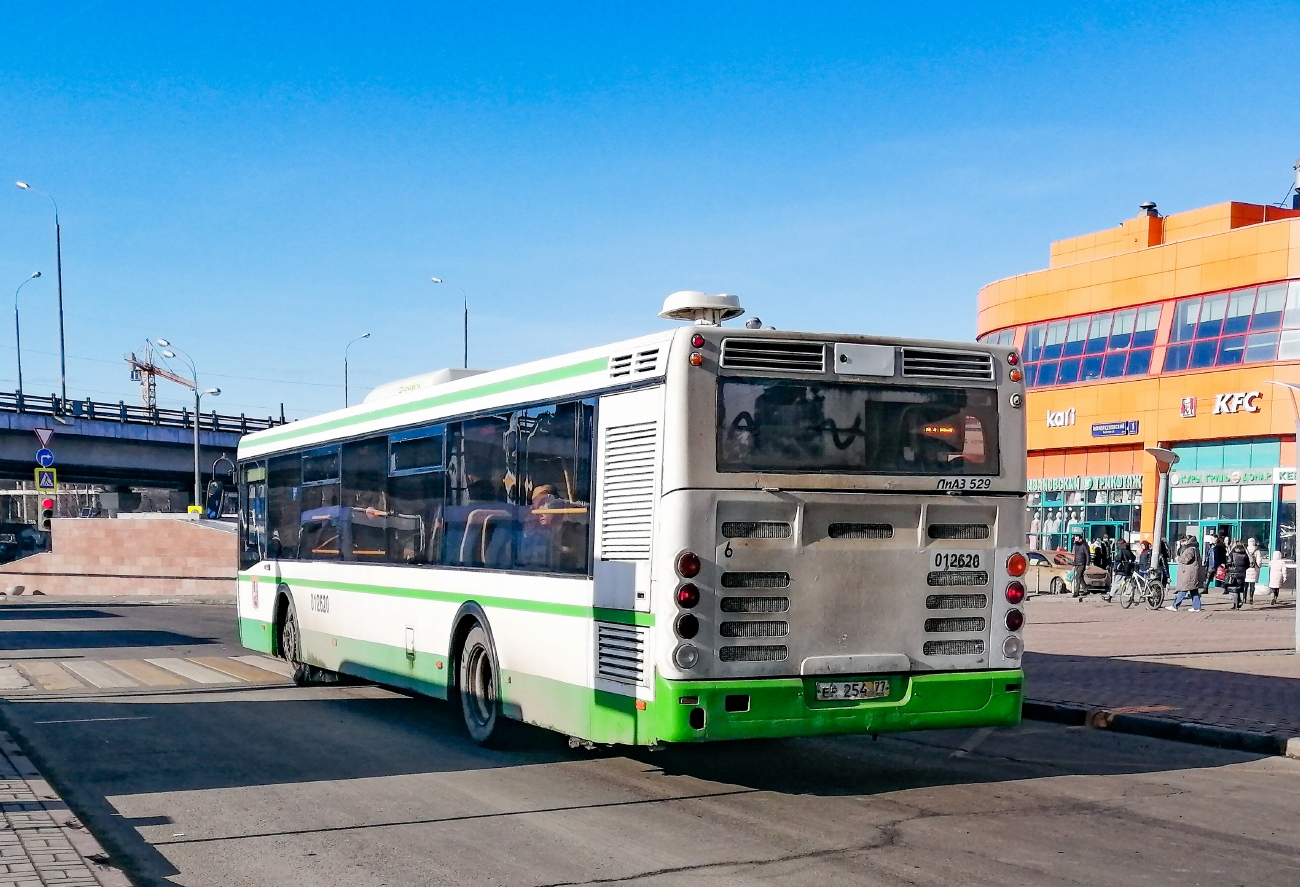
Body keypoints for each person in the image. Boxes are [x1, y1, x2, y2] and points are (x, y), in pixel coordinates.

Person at [1166, 535, 1203, 611]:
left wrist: (1178, 559)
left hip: (1189, 574)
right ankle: (1197, 607)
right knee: (1193, 590)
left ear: (1188, 541)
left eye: (1184, 541)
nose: (1182, 543)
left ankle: (1175, 605)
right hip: (1190, 573)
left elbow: (1187, 559)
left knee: (1183, 589)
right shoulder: (1193, 548)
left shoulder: (1191, 549)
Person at [1224, 540, 1250, 609]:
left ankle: (1237, 603)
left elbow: (1228, 562)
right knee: (1238, 588)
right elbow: (1248, 564)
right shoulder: (1245, 554)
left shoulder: (1232, 553)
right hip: (1242, 573)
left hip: (1233, 573)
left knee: (1233, 589)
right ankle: (1237, 603)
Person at [1071, 533, 1090, 599]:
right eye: (1075, 539)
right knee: (1080, 577)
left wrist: (1087, 564)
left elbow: (1087, 555)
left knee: (1077, 577)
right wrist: (1074, 564)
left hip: (1082, 563)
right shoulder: (1075, 545)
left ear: (1080, 539)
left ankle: (1076, 592)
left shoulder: (1084, 546)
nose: (1075, 541)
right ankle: (1086, 589)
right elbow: (1074, 555)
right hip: (1077, 563)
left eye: (1077, 539)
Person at [1244, 538, 1261, 604]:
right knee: (1252, 585)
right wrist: (1258, 567)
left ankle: (1244, 598)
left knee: (1245, 585)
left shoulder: (1246, 550)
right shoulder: (1257, 551)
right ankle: (1251, 598)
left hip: (1246, 569)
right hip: (1253, 569)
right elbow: (1259, 561)